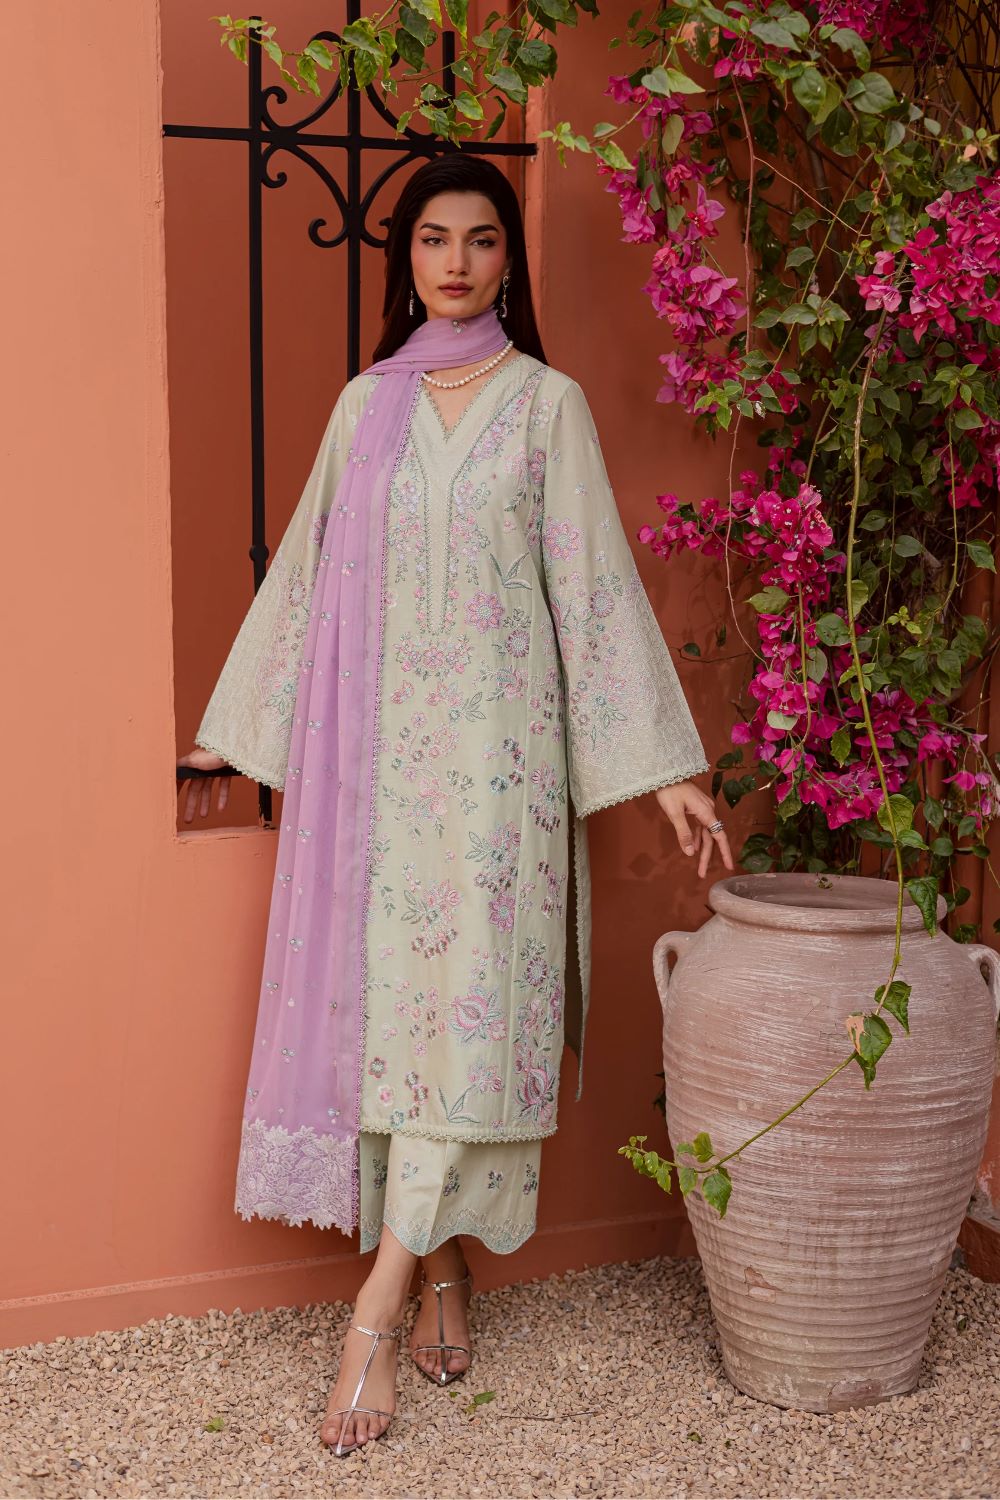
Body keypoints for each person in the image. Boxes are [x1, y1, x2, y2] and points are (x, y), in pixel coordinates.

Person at [177, 151, 734, 1456]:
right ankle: (439, 1270)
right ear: (405, 258)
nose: (457, 263)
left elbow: (594, 594)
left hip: (501, 778)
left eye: (481, 240)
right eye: (434, 239)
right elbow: (307, 575)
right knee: (396, 1026)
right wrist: (235, 735)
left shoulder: (548, 407)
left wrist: (668, 768)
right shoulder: (364, 407)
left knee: (468, 1022)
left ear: (507, 262)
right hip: (375, 777)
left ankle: (372, 1310)